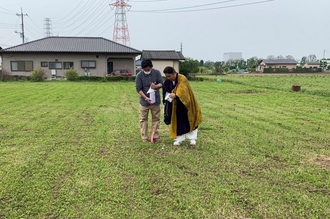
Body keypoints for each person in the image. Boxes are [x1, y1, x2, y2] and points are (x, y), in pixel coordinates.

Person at [162, 66, 202, 146]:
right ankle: (178, 139)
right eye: (166, 76)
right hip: (175, 106)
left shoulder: (182, 78)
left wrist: (176, 95)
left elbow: (182, 90)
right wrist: (167, 99)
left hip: (186, 104)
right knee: (178, 122)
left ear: (174, 73)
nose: (168, 78)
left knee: (190, 120)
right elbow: (165, 92)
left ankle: (192, 138)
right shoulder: (167, 82)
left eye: (169, 76)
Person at [135, 59, 163, 143]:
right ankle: (144, 136)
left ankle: (155, 136)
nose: (146, 71)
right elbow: (138, 89)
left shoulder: (157, 73)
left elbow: (161, 83)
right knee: (143, 119)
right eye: (145, 69)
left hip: (155, 100)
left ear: (151, 67)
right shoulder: (139, 75)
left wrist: (156, 86)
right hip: (144, 102)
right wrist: (145, 98)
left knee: (156, 118)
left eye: (148, 69)